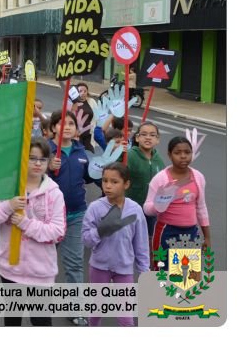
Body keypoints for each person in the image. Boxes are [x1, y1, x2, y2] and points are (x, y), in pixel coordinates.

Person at [0, 138, 66, 327]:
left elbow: (58, 232)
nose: (37, 164)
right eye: (32, 158)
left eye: (42, 159)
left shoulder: (54, 194)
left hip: (41, 271)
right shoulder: (6, 186)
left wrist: (26, 224)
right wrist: (8, 206)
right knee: (12, 320)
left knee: (41, 322)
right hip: (11, 268)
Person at [82, 162, 150, 327]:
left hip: (124, 269)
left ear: (126, 184)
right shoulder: (95, 208)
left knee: (126, 318)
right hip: (99, 267)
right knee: (96, 310)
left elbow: (141, 244)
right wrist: (100, 231)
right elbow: (86, 239)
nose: (108, 186)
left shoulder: (135, 209)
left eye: (114, 182)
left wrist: (144, 270)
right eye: (105, 181)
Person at [47, 110, 94, 327]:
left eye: (71, 124)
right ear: (54, 127)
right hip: (47, 217)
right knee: (44, 264)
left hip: (76, 214)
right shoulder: (44, 150)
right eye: (61, 123)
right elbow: (27, 175)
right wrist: (48, 168)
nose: (66, 127)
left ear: (76, 129)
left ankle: (75, 308)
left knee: (74, 263)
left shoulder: (81, 151)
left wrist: (106, 163)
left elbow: (90, 177)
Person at [144, 136, 211, 269]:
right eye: (177, 152)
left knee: (186, 277)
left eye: (187, 152)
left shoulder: (198, 177)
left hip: (191, 233)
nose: (183, 156)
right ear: (169, 155)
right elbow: (147, 208)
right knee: (162, 275)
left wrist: (207, 237)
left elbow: (201, 207)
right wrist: (160, 204)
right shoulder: (161, 179)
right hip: (166, 232)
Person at [127, 122, 165, 239]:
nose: (148, 137)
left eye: (152, 135)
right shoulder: (129, 155)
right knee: (130, 240)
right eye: (144, 134)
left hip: (151, 210)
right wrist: (119, 154)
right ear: (137, 138)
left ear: (157, 139)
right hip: (131, 208)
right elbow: (118, 173)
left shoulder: (159, 160)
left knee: (149, 240)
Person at [73, 83, 96, 152]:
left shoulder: (92, 101)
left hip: (89, 134)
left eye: (85, 91)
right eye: (80, 91)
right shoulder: (73, 103)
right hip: (77, 134)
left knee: (88, 155)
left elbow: (97, 116)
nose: (83, 93)